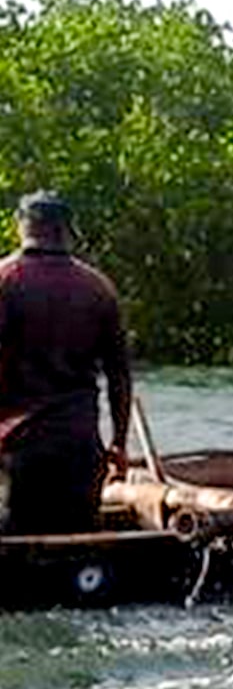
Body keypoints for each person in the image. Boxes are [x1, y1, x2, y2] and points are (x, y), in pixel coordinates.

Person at [0, 190, 131, 533]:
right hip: (80, 446)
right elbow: (119, 377)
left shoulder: (5, 280)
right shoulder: (98, 287)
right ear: (65, 231)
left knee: (17, 545)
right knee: (76, 546)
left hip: (17, 447)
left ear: (21, 228)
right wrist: (119, 444)